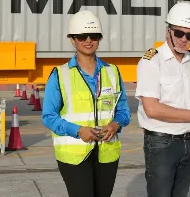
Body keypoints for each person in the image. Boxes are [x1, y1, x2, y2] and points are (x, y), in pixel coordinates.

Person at [135, 1, 190, 197]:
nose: (184, 39)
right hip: (161, 145)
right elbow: (152, 109)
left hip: (188, 142)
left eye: (189, 35)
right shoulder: (151, 61)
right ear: (168, 31)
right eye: (179, 33)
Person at [42, 10, 131, 197]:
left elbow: (123, 111)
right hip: (74, 156)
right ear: (72, 39)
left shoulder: (112, 72)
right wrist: (78, 130)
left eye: (94, 36)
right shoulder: (59, 74)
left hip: (107, 153)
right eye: (82, 36)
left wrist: (115, 124)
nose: (88, 40)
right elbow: (49, 116)